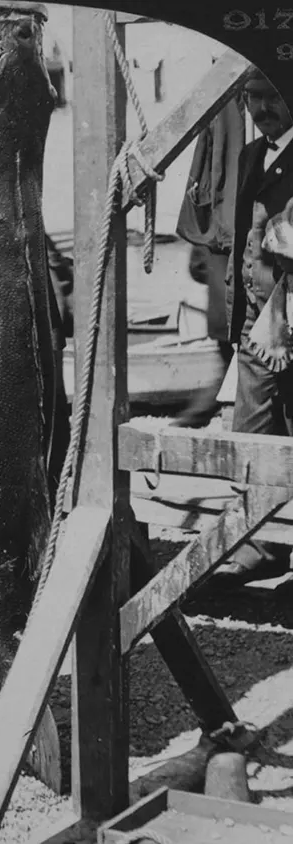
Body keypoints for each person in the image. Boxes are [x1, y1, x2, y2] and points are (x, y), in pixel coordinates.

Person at [210, 66, 293, 586]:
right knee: (251, 432)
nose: (260, 109)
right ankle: (261, 544)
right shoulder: (250, 154)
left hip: (287, 318)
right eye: (251, 98)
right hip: (252, 322)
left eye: (270, 98)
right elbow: (243, 237)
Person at [172, 93, 244, 429]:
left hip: (221, 258)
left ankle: (201, 414)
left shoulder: (224, 108)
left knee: (231, 363)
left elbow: (196, 266)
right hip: (227, 262)